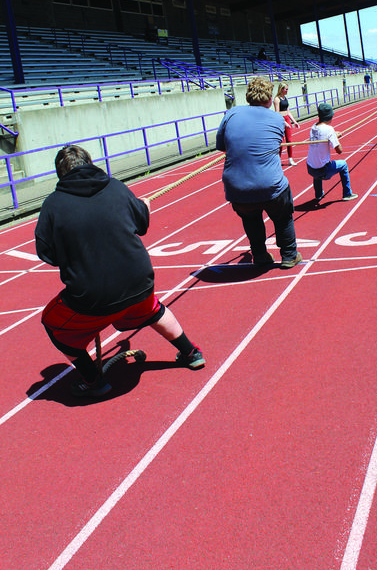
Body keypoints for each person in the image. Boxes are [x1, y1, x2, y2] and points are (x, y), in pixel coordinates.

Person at [35, 145, 205, 398]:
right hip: (139, 282)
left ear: (60, 173)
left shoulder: (53, 204)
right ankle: (191, 353)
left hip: (91, 297)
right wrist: (143, 207)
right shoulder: (115, 187)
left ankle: (92, 380)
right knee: (152, 309)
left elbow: (47, 254)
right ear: (90, 163)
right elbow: (141, 224)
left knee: (52, 324)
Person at [216, 75, 301, 268]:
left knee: (250, 217)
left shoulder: (231, 114)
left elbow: (222, 147)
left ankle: (260, 255)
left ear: (248, 96)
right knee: (283, 214)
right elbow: (274, 147)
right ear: (270, 98)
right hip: (270, 186)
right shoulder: (277, 118)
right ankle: (289, 254)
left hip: (236, 188)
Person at [306, 103, 358, 203]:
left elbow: (322, 135)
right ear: (329, 116)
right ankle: (347, 194)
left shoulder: (313, 127)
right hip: (323, 171)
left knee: (316, 163)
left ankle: (318, 194)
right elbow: (339, 151)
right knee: (343, 164)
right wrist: (335, 137)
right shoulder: (329, 129)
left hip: (310, 168)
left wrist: (334, 135)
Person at [273, 81, 300, 166]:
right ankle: (278, 160)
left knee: (289, 140)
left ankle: (290, 159)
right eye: (286, 89)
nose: (287, 91)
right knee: (280, 141)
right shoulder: (277, 99)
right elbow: (277, 113)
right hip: (280, 120)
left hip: (287, 119)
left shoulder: (285, 98)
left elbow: (288, 112)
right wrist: (284, 122)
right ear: (282, 89)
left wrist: (294, 121)